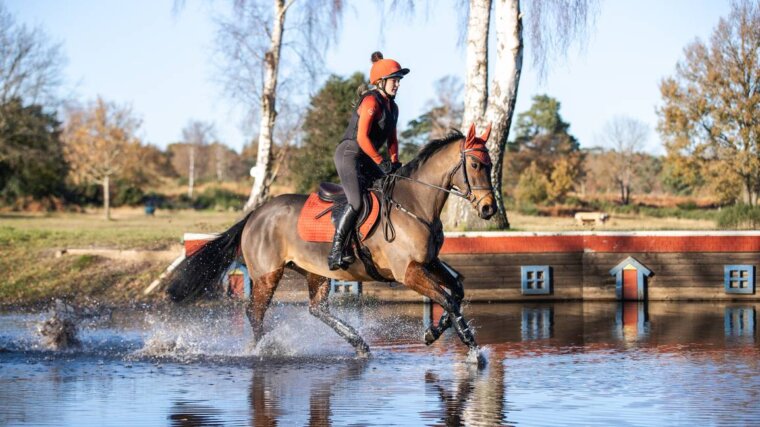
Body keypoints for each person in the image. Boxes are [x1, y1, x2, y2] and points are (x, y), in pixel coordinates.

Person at [328, 51, 409, 270]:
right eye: (394, 80)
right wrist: (379, 160)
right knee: (356, 201)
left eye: (399, 81)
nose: (398, 85)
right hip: (350, 153)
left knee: (388, 189)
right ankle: (335, 251)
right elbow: (362, 137)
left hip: (366, 157)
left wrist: (394, 162)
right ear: (381, 82)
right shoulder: (371, 101)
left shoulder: (394, 107)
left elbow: (392, 139)